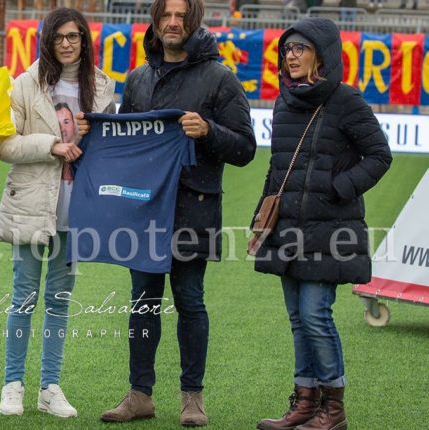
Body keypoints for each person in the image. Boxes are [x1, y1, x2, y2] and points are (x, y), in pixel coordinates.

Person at [78, 0, 256, 426]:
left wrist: (208, 131)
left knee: (190, 301)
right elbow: (125, 145)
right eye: (166, 16)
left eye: (181, 16)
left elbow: (246, 148)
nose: (173, 23)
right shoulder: (138, 78)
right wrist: (90, 132)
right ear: (156, 22)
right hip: (143, 210)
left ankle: (192, 397)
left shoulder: (220, 78)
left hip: (193, 208)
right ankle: (140, 394)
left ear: (194, 22)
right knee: (143, 303)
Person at [253, 18, 391, 430]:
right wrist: (260, 217)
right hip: (286, 228)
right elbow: (278, 168)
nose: (291, 56)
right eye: (287, 49)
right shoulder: (283, 102)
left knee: (315, 315)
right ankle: (305, 401)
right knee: (298, 320)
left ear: (322, 55)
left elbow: (379, 156)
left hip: (330, 230)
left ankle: (334, 409)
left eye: (300, 48)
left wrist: (338, 188)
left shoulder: (346, 100)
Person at [0, 7, 115, 419]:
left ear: (84, 40)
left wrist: (94, 137)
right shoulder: (25, 84)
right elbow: (4, 144)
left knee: (60, 301)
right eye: (59, 36)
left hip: (77, 210)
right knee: (23, 297)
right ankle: (13, 384)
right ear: (47, 40)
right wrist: (52, 145)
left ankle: (50, 387)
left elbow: (108, 150)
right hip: (31, 205)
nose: (66, 43)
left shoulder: (102, 87)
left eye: (73, 36)